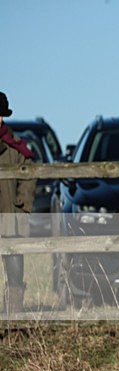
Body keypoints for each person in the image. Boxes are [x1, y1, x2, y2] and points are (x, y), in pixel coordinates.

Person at [0, 91, 36, 314]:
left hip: (9, 216)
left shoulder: (15, 147)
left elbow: (28, 176)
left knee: (14, 271)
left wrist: (21, 206)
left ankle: (13, 318)